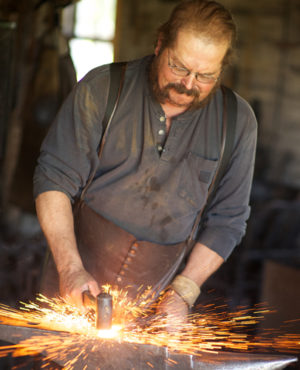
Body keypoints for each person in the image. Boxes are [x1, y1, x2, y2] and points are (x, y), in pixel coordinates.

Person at [34, 0, 257, 323]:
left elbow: (228, 220)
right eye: (179, 67)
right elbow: (54, 177)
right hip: (72, 282)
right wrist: (70, 268)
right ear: (159, 44)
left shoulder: (237, 123)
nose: (188, 84)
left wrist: (184, 291)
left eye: (205, 75)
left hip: (154, 303)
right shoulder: (102, 89)